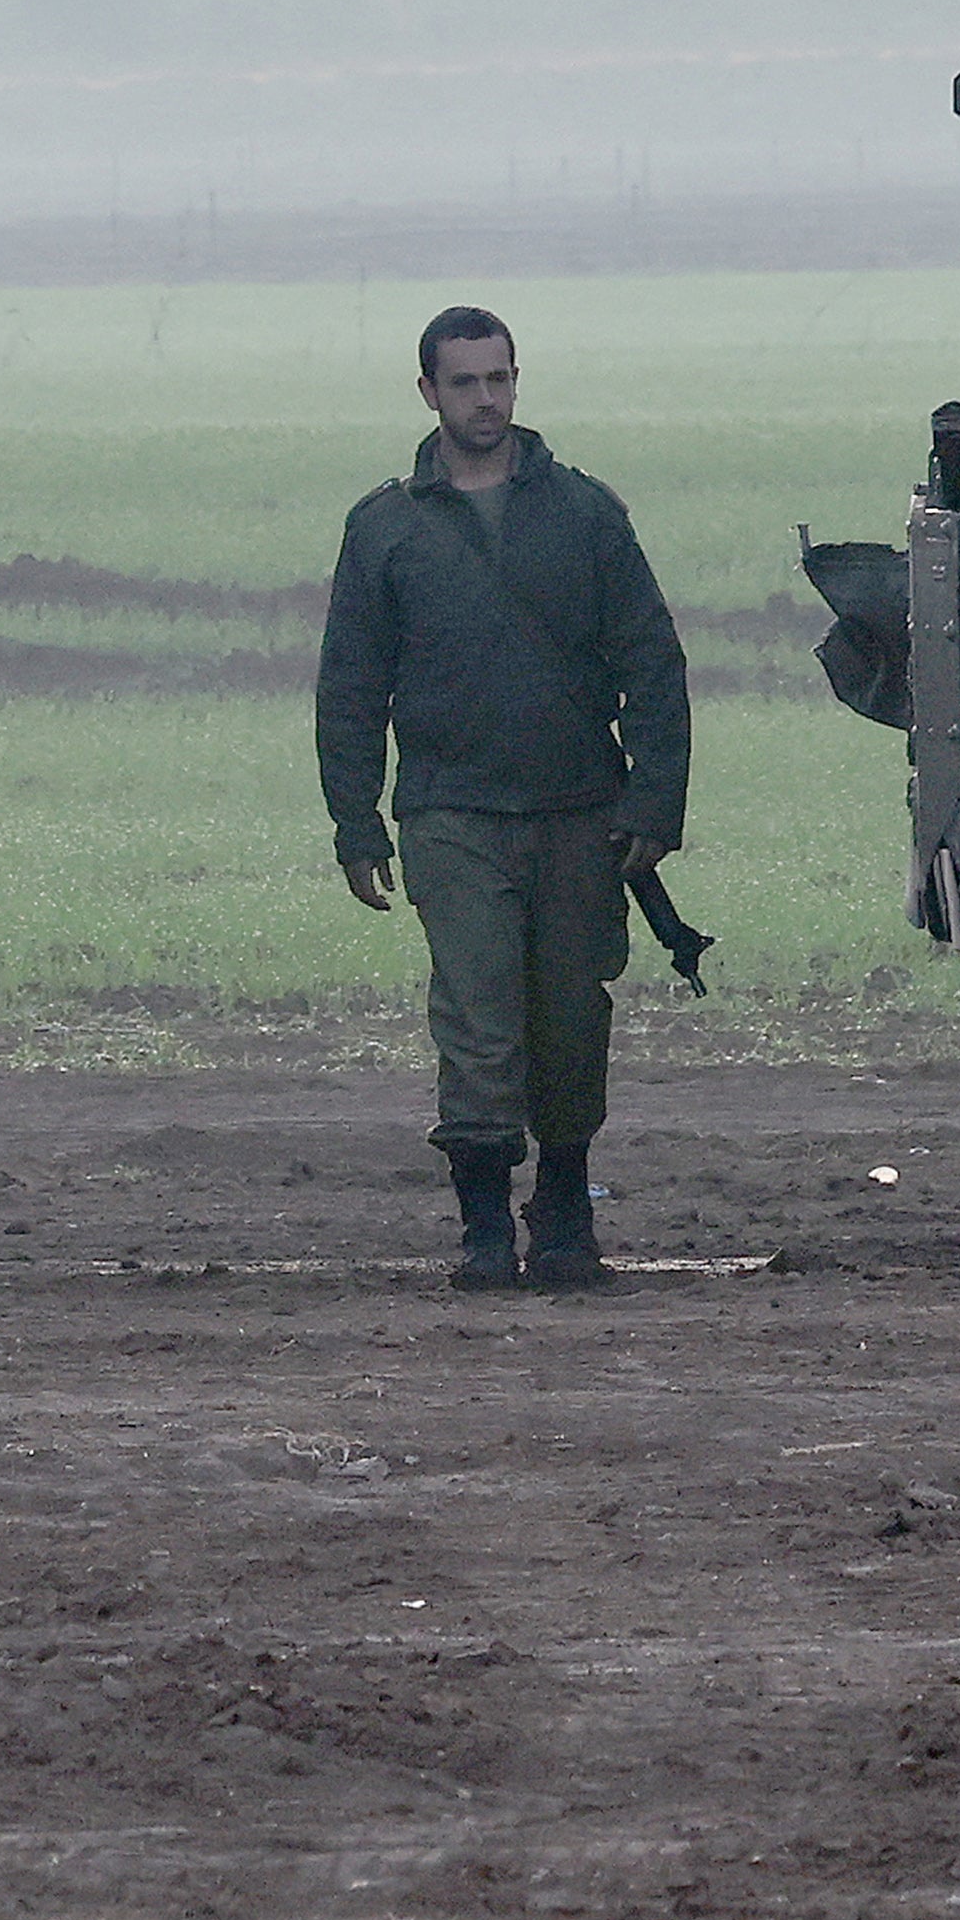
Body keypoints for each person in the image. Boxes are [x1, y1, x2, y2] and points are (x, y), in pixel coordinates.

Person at [314, 306, 693, 1289]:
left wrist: (656, 802)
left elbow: (650, 660)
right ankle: (484, 1226)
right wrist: (354, 819)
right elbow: (351, 683)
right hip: (451, 811)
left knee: (570, 1015)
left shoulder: (584, 513)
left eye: (501, 378)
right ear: (429, 392)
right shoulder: (385, 526)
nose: (487, 398)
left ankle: (563, 1208)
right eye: (466, 381)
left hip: (578, 810)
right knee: (479, 1016)